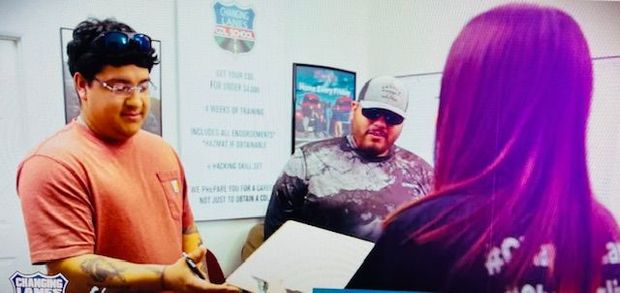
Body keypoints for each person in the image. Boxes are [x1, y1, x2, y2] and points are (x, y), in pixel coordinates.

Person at [347, 4, 620, 292]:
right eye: (372, 112)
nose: (380, 123)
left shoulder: (428, 232)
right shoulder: (603, 231)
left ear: (466, 107)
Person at [16, 18, 238, 293]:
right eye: (120, 88)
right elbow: (67, 268)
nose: (136, 101)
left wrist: (197, 280)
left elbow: (187, 231)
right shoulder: (53, 163)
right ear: (82, 85)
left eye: (143, 86)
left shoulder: (162, 150)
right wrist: (164, 276)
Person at [264, 76, 433, 242]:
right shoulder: (308, 161)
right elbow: (274, 236)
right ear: (354, 108)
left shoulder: (422, 173)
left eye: (392, 118)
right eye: (372, 113)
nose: (380, 123)